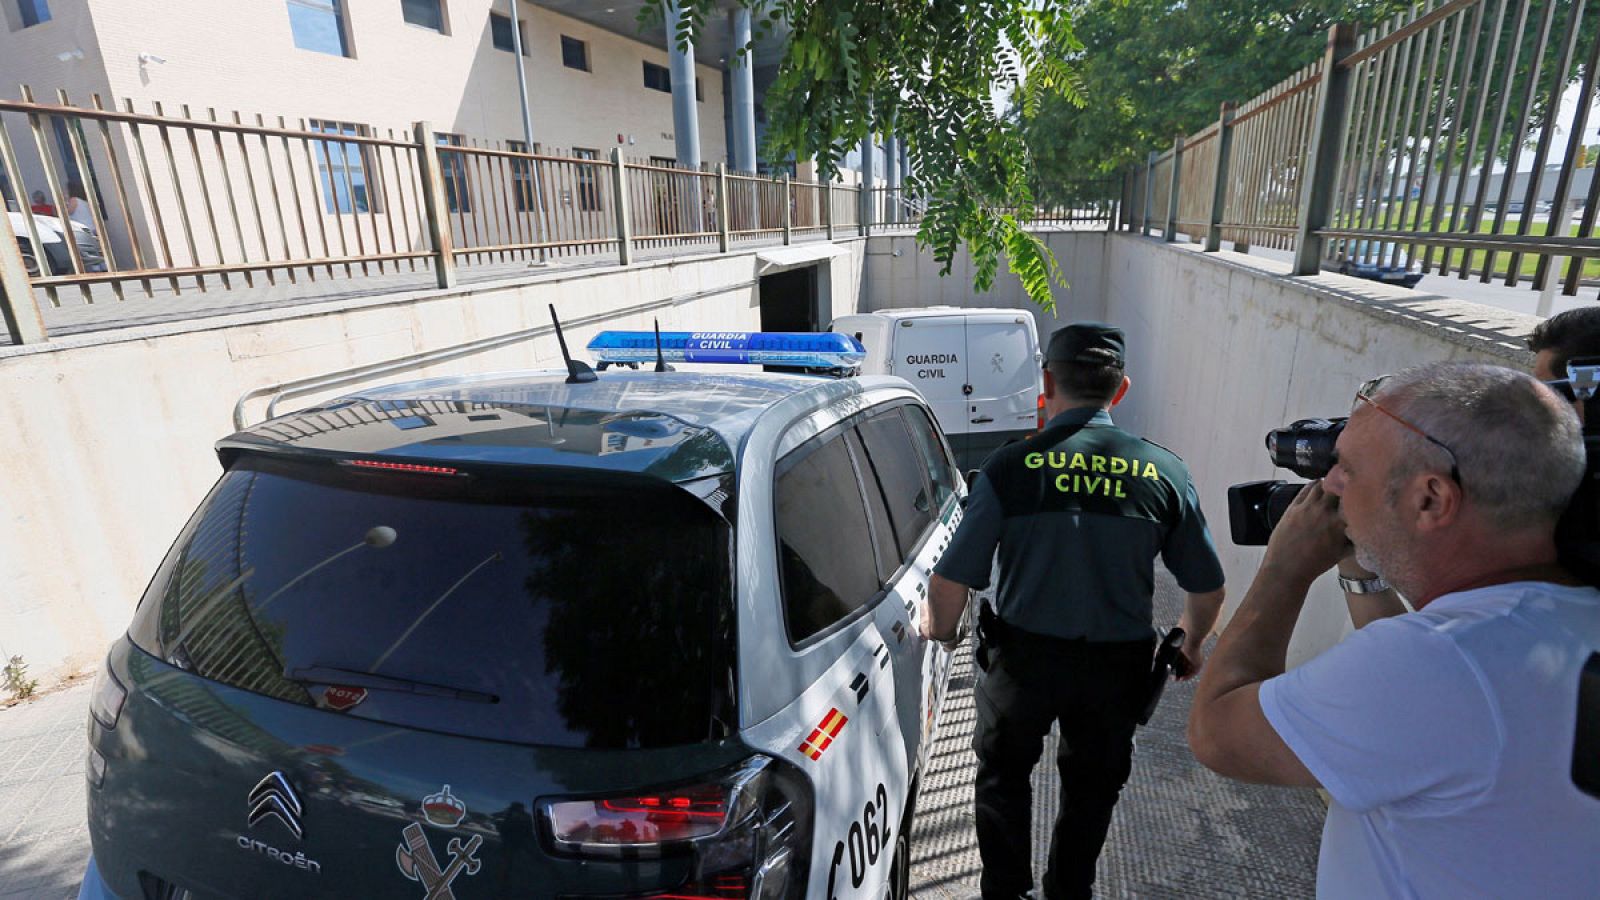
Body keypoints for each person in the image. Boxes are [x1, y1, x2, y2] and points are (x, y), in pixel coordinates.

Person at [1189, 362, 1600, 898]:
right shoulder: (1559, 620)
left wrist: (1284, 569)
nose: (1328, 485)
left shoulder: (1436, 663)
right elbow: (1436, 703)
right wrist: (1360, 567)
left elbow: (1218, 734)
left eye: (1348, 469)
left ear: (1430, 499)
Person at [920, 322, 1227, 899]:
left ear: (1047, 382)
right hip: (1116, 670)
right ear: (1121, 390)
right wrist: (1190, 642)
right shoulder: (1164, 472)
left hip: (1023, 663)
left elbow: (950, 581)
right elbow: (1207, 590)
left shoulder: (1011, 468)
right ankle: (1068, 891)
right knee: (1092, 790)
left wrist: (940, 633)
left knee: (1003, 778)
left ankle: (1006, 892)